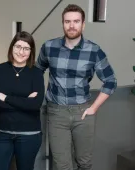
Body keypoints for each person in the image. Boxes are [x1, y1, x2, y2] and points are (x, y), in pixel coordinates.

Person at [36, 4, 117, 170]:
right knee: (62, 165)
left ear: (83, 24)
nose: (71, 25)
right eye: (67, 21)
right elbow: (37, 72)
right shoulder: (49, 47)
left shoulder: (94, 51)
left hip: (83, 112)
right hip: (56, 112)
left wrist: (94, 108)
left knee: (84, 163)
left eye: (76, 21)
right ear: (63, 23)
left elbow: (110, 81)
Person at [0, 31, 45, 170]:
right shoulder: (0, 69)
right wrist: (24, 102)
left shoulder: (36, 73)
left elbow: (35, 104)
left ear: (31, 51)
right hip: (3, 133)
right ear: (12, 47)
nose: (21, 51)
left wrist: (6, 98)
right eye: (18, 46)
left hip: (29, 135)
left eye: (26, 48)